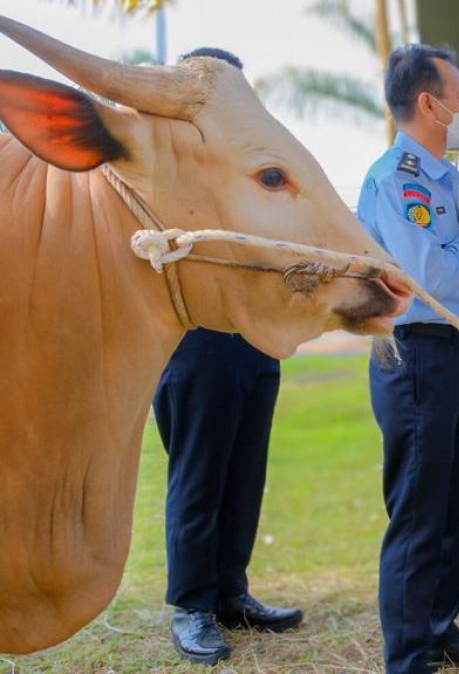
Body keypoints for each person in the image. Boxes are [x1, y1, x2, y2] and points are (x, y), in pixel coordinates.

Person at [357, 43, 459, 673]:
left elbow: (453, 273)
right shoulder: (398, 177)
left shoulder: (442, 180)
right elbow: (428, 275)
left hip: (452, 346)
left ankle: (438, 627)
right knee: (420, 510)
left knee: (456, 502)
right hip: (415, 354)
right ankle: (408, 655)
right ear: (429, 103)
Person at [152, 48, 302, 667]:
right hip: (196, 339)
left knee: (245, 470)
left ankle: (231, 593)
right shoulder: (165, 164)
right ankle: (192, 606)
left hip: (254, 335)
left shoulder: (255, 165)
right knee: (200, 472)